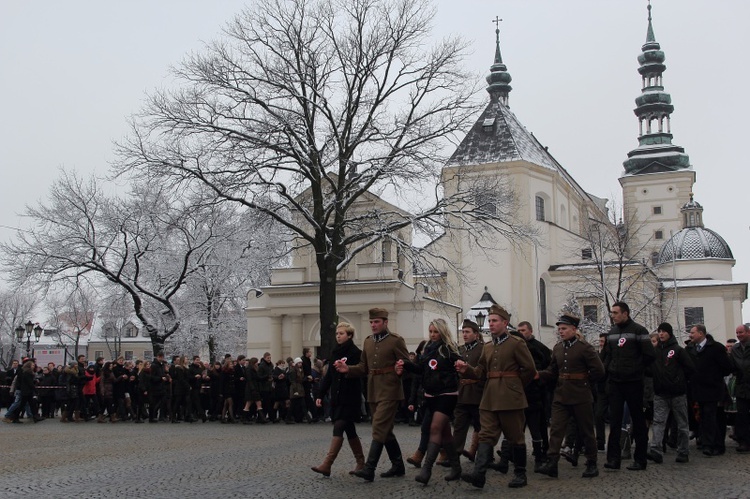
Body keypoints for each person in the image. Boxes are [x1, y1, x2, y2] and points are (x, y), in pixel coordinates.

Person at [456, 304, 537, 489]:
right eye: (489, 321)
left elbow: (529, 370)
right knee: (485, 435)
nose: (490, 324)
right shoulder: (488, 347)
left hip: (511, 398)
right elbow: (480, 372)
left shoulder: (517, 343)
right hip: (489, 398)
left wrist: (514, 386)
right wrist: (466, 370)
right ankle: (479, 475)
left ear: (505, 323)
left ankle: (520, 474)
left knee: (515, 436)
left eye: (494, 321)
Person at [335, 307, 410, 482]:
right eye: (371, 322)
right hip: (373, 390)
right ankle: (398, 465)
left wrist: (401, 370)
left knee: (378, 428)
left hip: (390, 390)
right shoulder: (368, 342)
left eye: (377, 322)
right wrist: (348, 369)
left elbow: (407, 365)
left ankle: (369, 468)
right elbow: (363, 368)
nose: (373, 325)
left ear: (385, 322)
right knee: (385, 430)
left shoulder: (395, 341)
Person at [537, 314, 605, 479]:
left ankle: (591, 463)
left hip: (581, 395)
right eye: (559, 329)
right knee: (556, 429)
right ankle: (552, 463)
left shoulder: (585, 348)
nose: (561, 331)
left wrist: (585, 382)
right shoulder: (558, 348)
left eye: (564, 328)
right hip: (561, 395)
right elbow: (553, 371)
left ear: (574, 329)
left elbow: (599, 371)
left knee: (587, 431)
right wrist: (538, 375)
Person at [397, 318, 462, 485]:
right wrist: (406, 364)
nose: (433, 335)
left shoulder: (448, 349)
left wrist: (462, 365)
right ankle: (456, 467)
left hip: (447, 393)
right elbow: (421, 370)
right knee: (445, 432)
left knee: (434, 428)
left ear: (442, 332)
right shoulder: (427, 348)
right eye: (431, 331)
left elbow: (461, 364)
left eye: (436, 332)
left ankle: (426, 470)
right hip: (431, 395)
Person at [601, 301, 655, 471]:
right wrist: (606, 372)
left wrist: (636, 370)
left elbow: (649, 356)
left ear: (625, 313)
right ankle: (613, 459)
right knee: (615, 422)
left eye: (616, 312)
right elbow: (606, 356)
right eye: (612, 313)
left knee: (638, 422)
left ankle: (640, 459)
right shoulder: (612, 332)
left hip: (634, 382)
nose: (613, 315)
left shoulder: (639, 331)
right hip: (616, 383)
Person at [311, 322, 364, 477]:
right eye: (337, 333)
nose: (338, 336)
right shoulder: (335, 352)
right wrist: (320, 394)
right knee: (349, 429)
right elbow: (329, 377)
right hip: (337, 397)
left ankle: (327, 464)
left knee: (339, 426)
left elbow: (360, 373)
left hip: (350, 397)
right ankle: (361, 462)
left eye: (341, 333)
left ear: (349, 335)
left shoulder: (356, 353)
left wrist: (347, 370)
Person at [647, 322, 695, 464]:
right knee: (658, 422)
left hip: (677, 393)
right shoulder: (655, 352)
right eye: (659, 331)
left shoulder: (678, 350)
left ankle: (683, 451)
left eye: (664, 331)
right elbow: (649, 369)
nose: (661, 334)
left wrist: (679, 380)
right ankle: (656, 449)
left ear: (669, 333)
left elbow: (690, 368)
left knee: (681, 424)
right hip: (660, 393)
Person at [686, 324, 732, 456]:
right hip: (698, 390)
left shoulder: (716, 348)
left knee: (712, 416)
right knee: (704, 417)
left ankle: (713, 445)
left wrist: (714, 376)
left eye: (693, 332)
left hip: (713, 389)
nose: (690, 335)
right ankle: (707, 443)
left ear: (701, 333)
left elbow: (727, 367)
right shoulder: (691, 349)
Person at [517, 320, 552, 473]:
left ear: (530, 331)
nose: (521, 333)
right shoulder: (518, 347)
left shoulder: (540, 348)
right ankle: (512, 454)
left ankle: (544, 451)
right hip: (522, 392)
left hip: (538, 391)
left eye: (523, 330)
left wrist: (540, 381)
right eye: (519, 330)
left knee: (539, 425)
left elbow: (547, 367)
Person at [452, 319, 484, 463]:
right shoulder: (460, 350)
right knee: (459, 426)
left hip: (477, 393)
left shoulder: (483, 349)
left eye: (467, 332)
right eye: (463, 332)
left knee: (480, 426)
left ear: (476, 334)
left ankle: (484, 456)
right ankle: (454, 455)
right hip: (462, 393)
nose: (464, 334)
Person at [730, 324, 750, 453]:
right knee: (742, 415)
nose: (738, 335)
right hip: (741, 386)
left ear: (748, 333)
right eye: (737, 333)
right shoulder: (735, 349)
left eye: (741, 332)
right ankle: (743, 441)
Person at [3, 360, 42, 424]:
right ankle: (13, 416)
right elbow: (29, 383)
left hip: (25, 391)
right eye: (32, 365)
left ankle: (34, 416)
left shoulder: (24, 371)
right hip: (26, 391)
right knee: (20, 404)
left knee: (30, 404)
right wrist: (35, 389)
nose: (33, 366)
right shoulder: (27, 372)